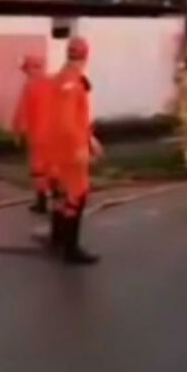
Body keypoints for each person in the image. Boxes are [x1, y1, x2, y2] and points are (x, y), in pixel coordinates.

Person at [49, 37, 103, 266]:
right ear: (86, 55)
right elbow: (67, 121)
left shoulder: (62, 78)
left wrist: (90, 139)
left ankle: (59, 239)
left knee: (64, 194)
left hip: (62, 146)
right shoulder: (71, 83)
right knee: (77, 196)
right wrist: (81, 146)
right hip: (71, 148)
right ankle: (71, 249)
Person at [13, 54, 56, 214]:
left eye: (26, 69)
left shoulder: (30, 86)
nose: (26, 72)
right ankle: (57, 196)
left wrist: (17, 132)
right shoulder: (53, 82)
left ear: (30, 68)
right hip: (55, 133)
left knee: (39, 169)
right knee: (53, 165)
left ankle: (42, 202)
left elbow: (22, 111)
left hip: (38, 135)